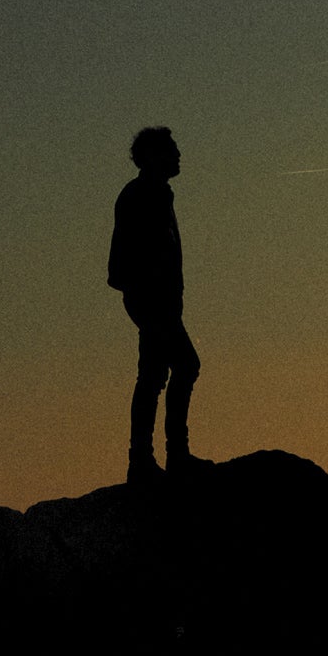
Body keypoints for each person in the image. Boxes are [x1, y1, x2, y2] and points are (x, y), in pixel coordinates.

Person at [108, 126, 207, 482]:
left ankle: (152, 458)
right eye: (170, 150)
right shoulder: (140, 195)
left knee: (157, 373)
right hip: (152, 300)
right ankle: (159, 457)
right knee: (178, 367)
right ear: (151, 156)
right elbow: (127, 257)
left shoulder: (158, 195)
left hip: (160, 300)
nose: (178, 156)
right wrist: (147, 291)